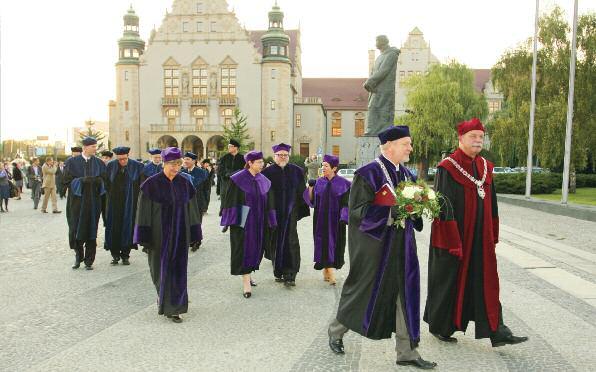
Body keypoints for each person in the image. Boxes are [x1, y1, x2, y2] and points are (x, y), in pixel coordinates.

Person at [327, 126, 436, 370]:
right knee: (362, 293)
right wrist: (391, 212)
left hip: (402, 247)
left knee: (404, 295)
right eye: (406, 143)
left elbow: (409, 212)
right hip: (375, 249)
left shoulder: (407, 174)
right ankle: (335, 331)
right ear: (390, 146)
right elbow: (357, 213)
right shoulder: (367, 174)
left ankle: (407, 352)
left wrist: (418, 207)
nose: (410, 148)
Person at [424, 118, 528, 348]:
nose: (478, 140)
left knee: (487, 279)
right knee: (449, 280)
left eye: (481, 137)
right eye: (473, 136)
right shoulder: (447, 168)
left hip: (480, 238)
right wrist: (451, 240)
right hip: (455, 239)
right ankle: (441, 326)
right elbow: (442, 207)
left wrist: (493, 232)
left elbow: (493, 202)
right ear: (460, 139)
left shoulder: (485, 167)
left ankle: (496, 330)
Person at [133, 147, 202, 323]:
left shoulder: (185, 183)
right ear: (164, 163)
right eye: (172, 164)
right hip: (158, 236)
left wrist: (195, 232)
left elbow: (193, 210)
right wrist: (143, 237)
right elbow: (143, 212)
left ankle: (175, 308)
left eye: (179, 164)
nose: (176, 167)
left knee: (178, 271)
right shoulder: (151, 185)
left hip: (180, 234)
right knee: (159, 271)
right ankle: (162, 296)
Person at [220, 151, 277, 298]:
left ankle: (249, 274)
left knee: (256, 248)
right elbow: (230, 200)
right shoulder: (238, 179)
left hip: (259, 220)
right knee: (243, 249)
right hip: (243, 219)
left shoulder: (264, 180)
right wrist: (233, 220)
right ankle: (246, 282)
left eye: (262, 162)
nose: (262, 164)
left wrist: (271, 219)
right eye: (258, 162)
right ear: (250, 163)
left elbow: (269, 201)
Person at [261, 143, 310, 287]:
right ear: (274, 156)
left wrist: (301, 209)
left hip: (290, 212)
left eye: (285, 155)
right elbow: (264, 194)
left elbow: (302, 191)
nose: (282, 157)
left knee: (291, 240)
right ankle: (279, 271)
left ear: (288, 156)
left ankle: (291, 273)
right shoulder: (267, 173)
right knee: (275, 241)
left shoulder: (297, 171)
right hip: (274, 213)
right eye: (279, 155)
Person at [303, 155, 350, 285]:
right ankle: (329, 272)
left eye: (326, 166)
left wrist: (344, 217)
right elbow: (312, 201)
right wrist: (310, 188)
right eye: (322, 165)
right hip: (320, 220)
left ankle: (328, 270)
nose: (323, 168)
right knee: (323, 244)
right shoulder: (319, 182)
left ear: (334, 168)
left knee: (335, 245)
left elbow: (346, 203)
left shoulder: (344, 184)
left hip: (337, 221)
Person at [62, 137, 107, 270]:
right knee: (75, 228)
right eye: (93, 146)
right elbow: (65, 181)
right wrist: (81, 181)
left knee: (91, 229)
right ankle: (78, 256)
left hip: (93, 202)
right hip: (77, 202)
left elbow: (105, 180)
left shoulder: (99, 163)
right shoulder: (71, 162)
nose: (95, 148)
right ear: (85, 147)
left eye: (95, 146)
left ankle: (89, 261)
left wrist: (97, 181)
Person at [104, 146, 144, 265]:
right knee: (114, 228)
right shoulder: (111, 166)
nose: (122, 162)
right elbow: (106, 184)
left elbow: (141, 184)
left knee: (128, 227)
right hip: (114, 203)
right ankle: (115, 255)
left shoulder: (137, 166)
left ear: (128, 156)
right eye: (120, 159)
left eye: (124, 159)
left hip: (129, 202)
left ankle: (125, 255)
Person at [181, 152, 208, 252]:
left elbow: (206, 189)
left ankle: (197, 241)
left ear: (193, 161)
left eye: (188, 159)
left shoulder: (202, 173)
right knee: (186, 221)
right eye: (185, 159)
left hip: (198, 201)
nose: (185, 161)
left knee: (197, 221)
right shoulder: (182, 172)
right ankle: (189, 240)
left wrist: (205, 204)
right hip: (185, 202)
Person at [217, 139, 245, 214]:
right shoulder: (224, 158)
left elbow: (245, 171)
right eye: (228, 146)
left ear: (236, 148)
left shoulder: (243, 158)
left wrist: (237, 174)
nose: (228, 148)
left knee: (237, 203)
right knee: (226, 203)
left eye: (230, 146)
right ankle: (226, 222)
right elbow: (220, 170)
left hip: (238, 185)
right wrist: (227, 174)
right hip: (226, 184)